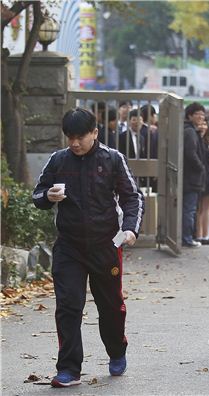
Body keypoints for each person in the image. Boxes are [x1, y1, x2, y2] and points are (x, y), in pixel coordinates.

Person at [32, 108, 144, 387]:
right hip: (69, 246)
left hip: (105, 245)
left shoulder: (113, 159)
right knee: (68, 306)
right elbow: (37, 194)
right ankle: (69, 369)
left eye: (80, 136)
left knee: (110, 307)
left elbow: (132, 197)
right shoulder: (58, 160)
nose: (74, 143)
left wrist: (130, 228)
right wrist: (48, 195)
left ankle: (117, 351)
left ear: (95, 133)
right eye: (70, 137)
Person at [182, 102, 207, 248]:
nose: (201, 117)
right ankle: (187, 239)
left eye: (203, 114)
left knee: (189, 209)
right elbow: (191, 153)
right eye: (198, 113)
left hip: (190, 178)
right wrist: (201, 167)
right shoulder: (190, 131)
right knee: (189, 210)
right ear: (190, 115)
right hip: (191, 179)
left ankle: (187, 237)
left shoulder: (192, 131)